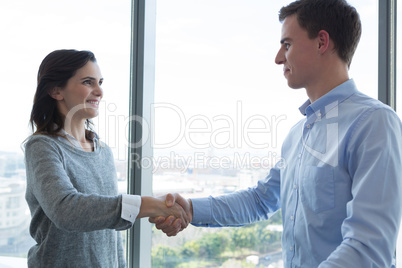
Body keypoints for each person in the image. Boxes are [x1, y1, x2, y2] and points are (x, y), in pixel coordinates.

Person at [150, 0, 402, 267]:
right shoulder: (298, 136)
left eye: (288, 44)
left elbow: (368, 247)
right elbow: (261, 200)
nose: (278, 57)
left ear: (321, 42)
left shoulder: (373, 124)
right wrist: (190, 208)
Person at [24, 49, 189, 267]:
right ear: (56, 91)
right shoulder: (42, 146)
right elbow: (66, 211)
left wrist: (160, 209)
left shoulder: (102, 150)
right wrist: (152, 205)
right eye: (88, 82)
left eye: (100, 82)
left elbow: (108, 230)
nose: (99, 91)